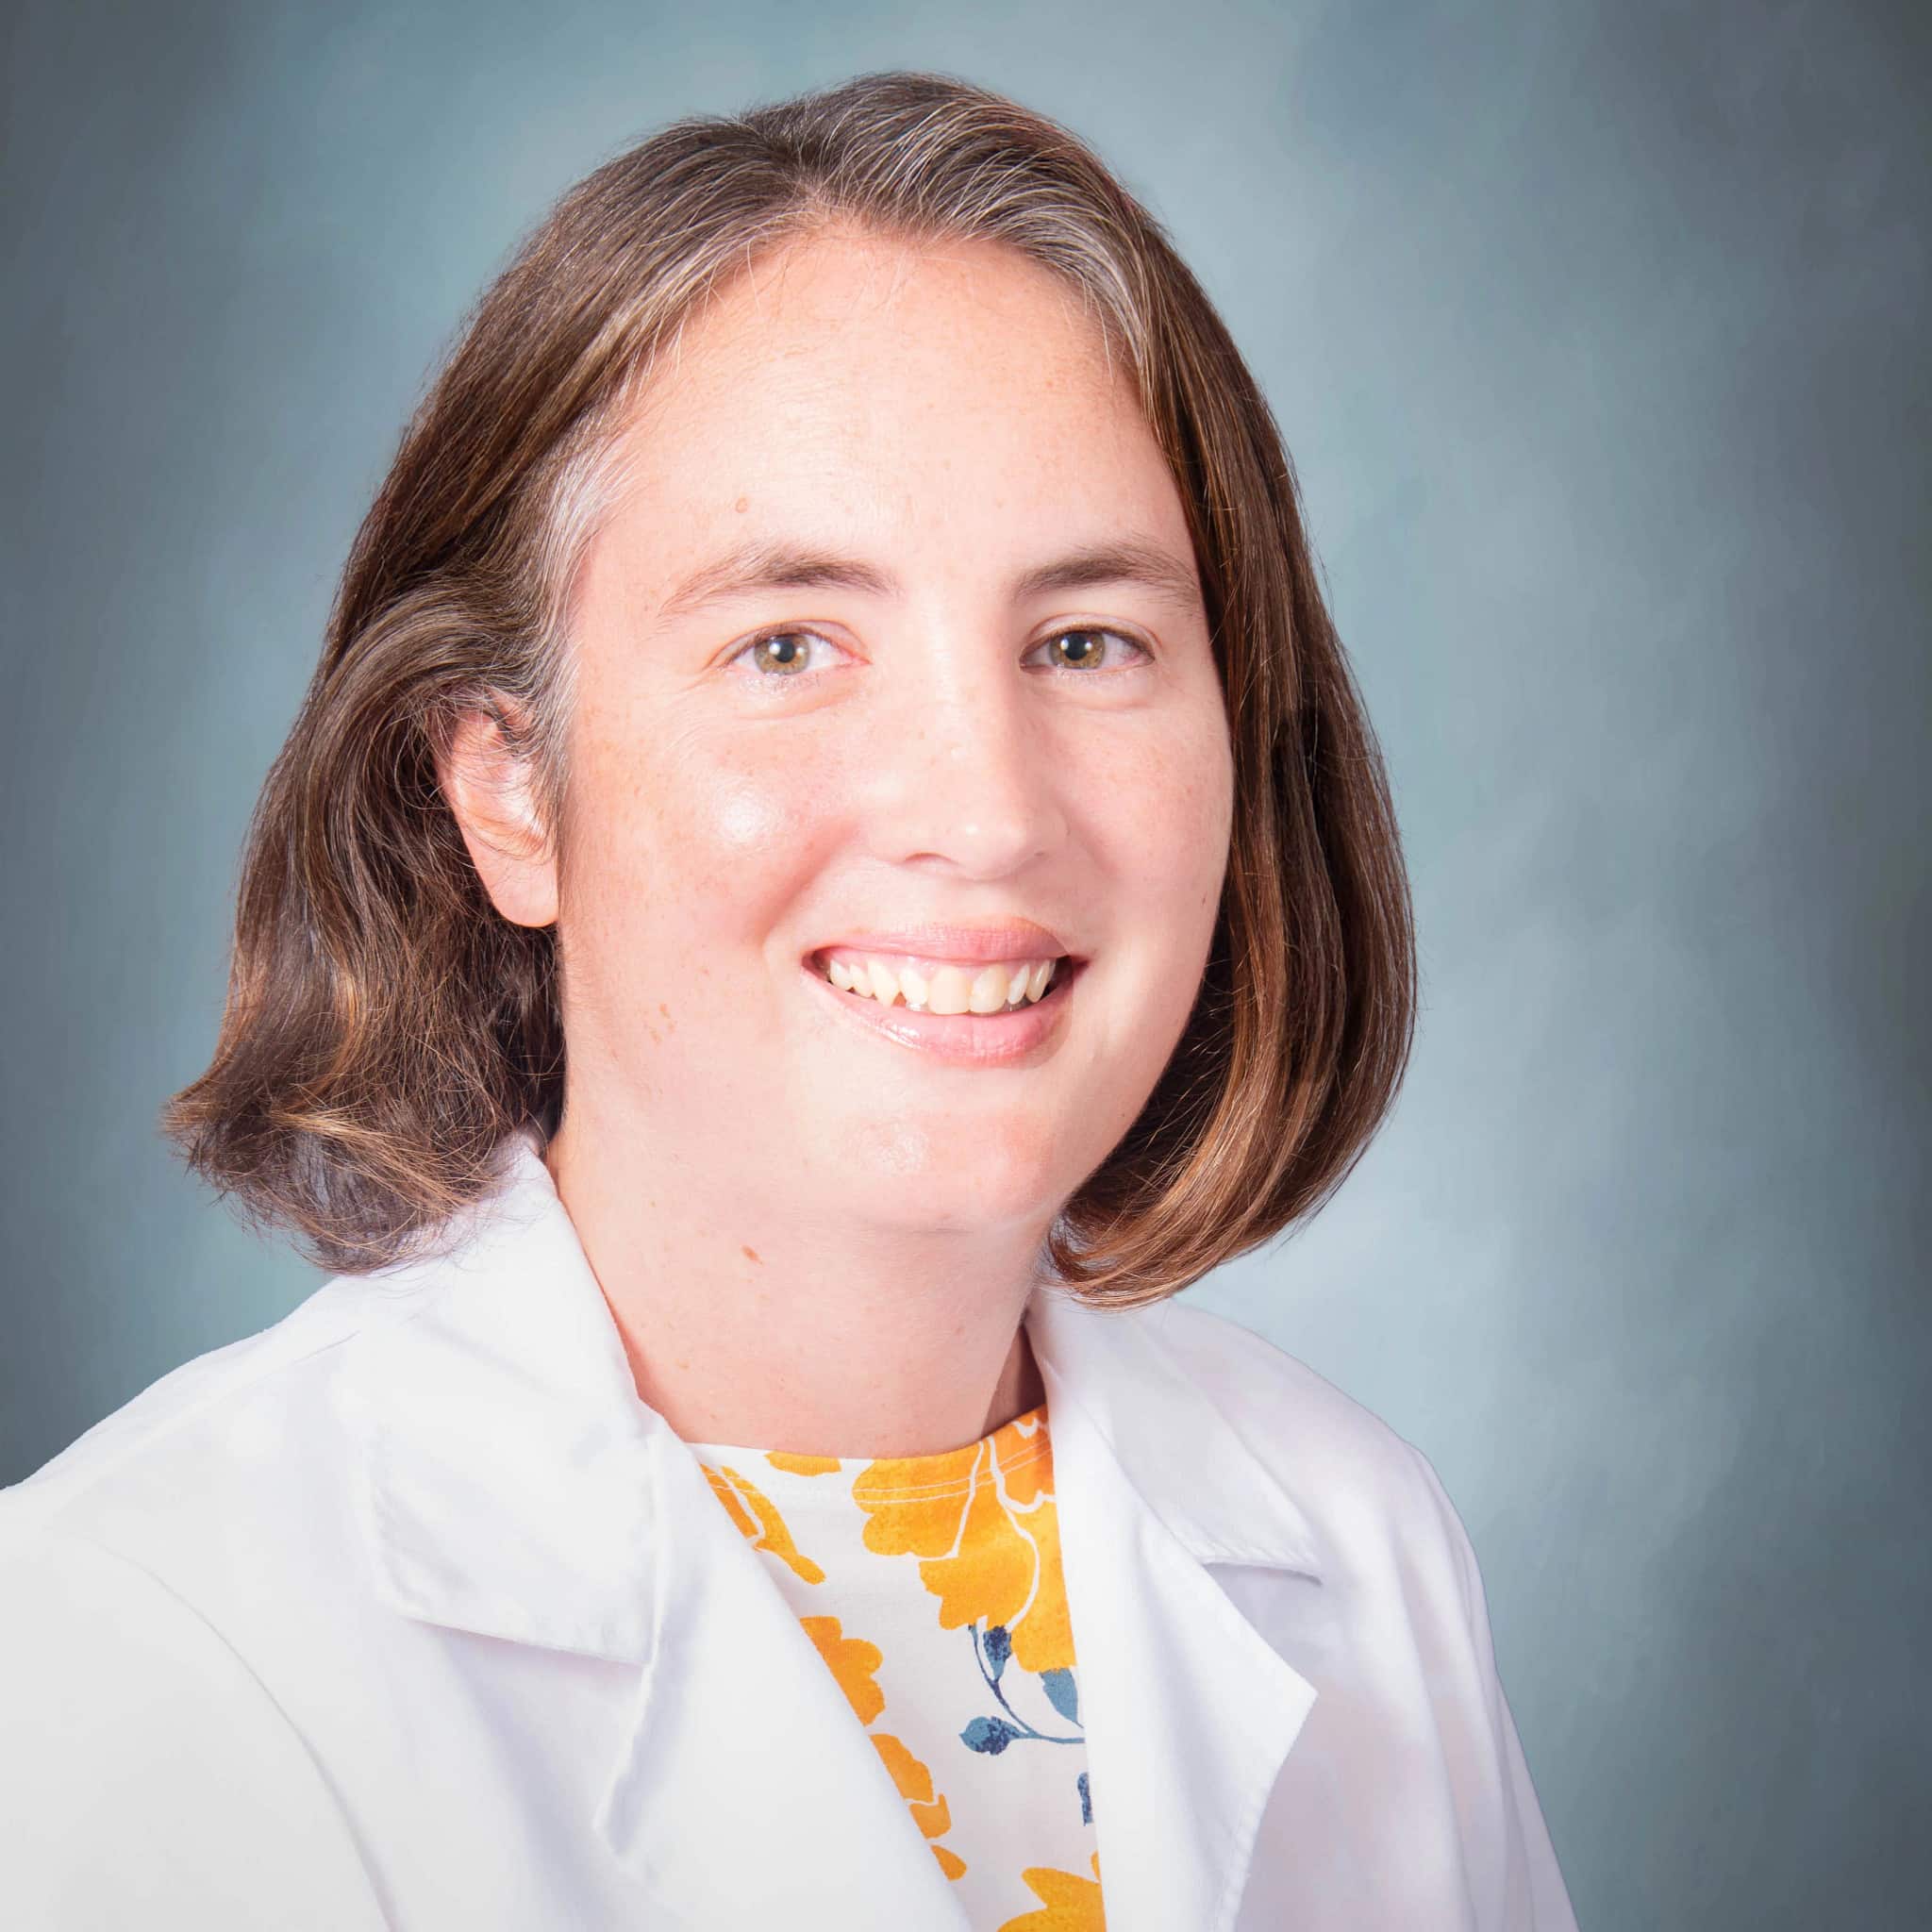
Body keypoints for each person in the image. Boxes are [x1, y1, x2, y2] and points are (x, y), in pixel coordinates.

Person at [0, 69, 1577, 1931]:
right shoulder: (140, 1654)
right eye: (789, 645)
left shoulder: (1359, 1546)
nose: (985, 810)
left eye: (1087, 641)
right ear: (508, 789)